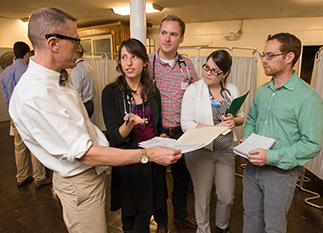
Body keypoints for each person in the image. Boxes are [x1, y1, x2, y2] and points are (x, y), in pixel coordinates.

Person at [9, 8, 182, 233]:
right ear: (53, 44)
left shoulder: (59, 77)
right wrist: (149, 154)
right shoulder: (34, 95)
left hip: (96, 174)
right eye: (75, 40)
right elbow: (86, 153)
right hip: (81, 179)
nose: (79, 47)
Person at [241, 32, 323, 233]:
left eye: (270, 55)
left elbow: (312, 144)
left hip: (280, 174)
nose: (263, 60)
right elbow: (251, 119)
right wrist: (248, 138)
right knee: (250, 216)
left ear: (289, 57)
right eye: (264, 54)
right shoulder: (262, 91)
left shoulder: (307, 98)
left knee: (274, 225)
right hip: (252, 169)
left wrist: (272, 156)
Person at [102, 38, 169, 233]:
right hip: (129, 163)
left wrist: (164, 136)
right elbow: (115, 137)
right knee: (130, 219)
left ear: (145, 61)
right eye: (124, 57)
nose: (129, 63)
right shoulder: (111, 92)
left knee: (147, 212)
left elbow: (158, 125)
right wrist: (129, 123)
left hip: (152, 160)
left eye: (134, 57)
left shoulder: (152, 90)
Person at [181, 50, 244, 233]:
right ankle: (203, 229)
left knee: (226, 195)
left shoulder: (231, 89)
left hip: (225, 150)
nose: (208, 73)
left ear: (225, 73)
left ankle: (222, 226)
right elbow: (186, 124)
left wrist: (234, 121)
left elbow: (240, 117)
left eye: (215, 71)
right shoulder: (194, 90)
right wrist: (211, 130)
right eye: (207, 67)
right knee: (203, 196)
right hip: (201, 151)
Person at [148, 15, 199, 233]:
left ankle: (180, 214)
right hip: (157, 134)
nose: (167, 38)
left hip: (181, 134)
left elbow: (198, 95)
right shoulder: (146, 64)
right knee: (158, 182)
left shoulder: (187, 66)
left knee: (182, 178)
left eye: (173, 34)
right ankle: (161, 221)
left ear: (181, 38)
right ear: (158, 34)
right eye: (164, 32)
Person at [0, 41, 52, 189]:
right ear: (27, 54)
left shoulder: (5, 73)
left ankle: (21, 177)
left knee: (19, 146)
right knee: (35, 144)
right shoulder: (29, 72)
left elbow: (6, 97)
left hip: (13, 114)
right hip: (30, 115)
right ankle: (39, 177)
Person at [70, 44, 96, 117]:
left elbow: (77, 93)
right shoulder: (89, 67)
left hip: (83, 105)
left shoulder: (76, 70)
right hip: (91, 104)